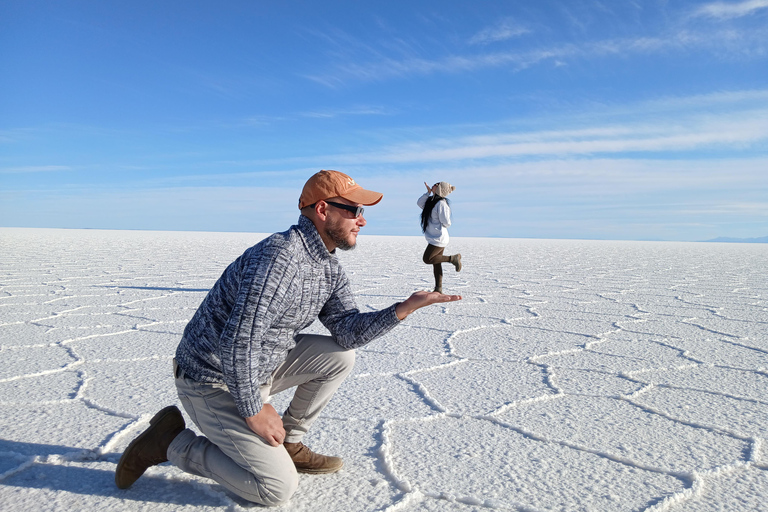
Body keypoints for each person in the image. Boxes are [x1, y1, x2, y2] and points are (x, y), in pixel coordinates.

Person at [114, 170, 462, 506]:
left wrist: (404, 308)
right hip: (210, 379)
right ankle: (170, 442)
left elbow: (346, 330)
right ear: (323, 210)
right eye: (354, 210)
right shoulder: (280, 258)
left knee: (340, 356)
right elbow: (239, 340)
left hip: (259, 366)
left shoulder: (328, 267)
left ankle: (290, 443)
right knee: (276, 489)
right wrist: (254, 410)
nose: (362, 220)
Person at [417, 181, 462, 293]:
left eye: (436, 184)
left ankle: (453, 258)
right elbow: (419, 203)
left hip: (439, 238)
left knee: (427, 259)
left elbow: (447, 222)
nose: (433, 185)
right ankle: (438, 289)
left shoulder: (441, 204)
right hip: (434, 237)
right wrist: (427, 193)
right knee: (436, 264)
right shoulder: (431, 201)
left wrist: (437, 224)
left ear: (440, 189)